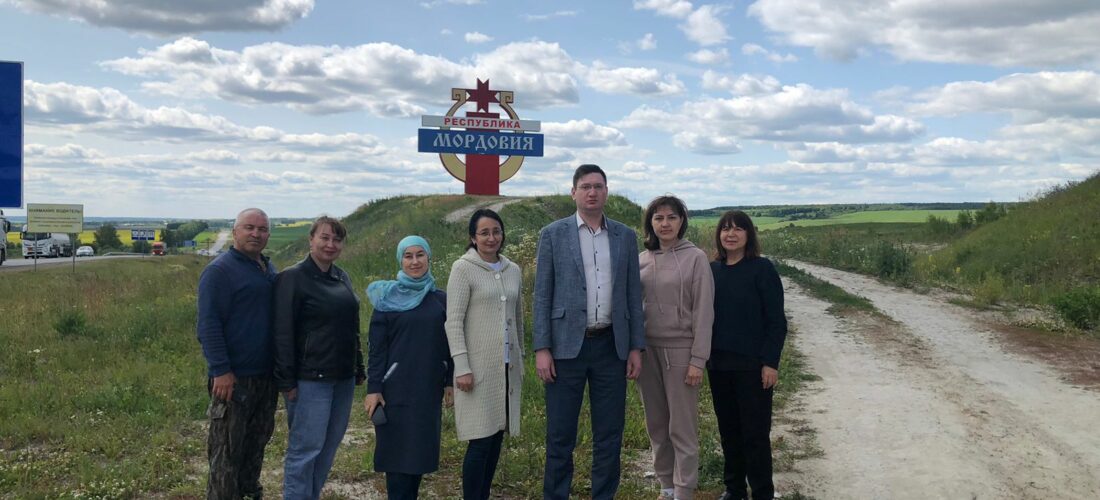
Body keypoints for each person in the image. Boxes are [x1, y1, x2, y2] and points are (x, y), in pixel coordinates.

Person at [533, 163, 646, 500]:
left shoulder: (625, 236)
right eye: (585, 187)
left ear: (606, 192)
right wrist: (542, 348)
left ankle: (603, 495)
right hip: (565, 348)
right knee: (560, 434)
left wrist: (635, 346)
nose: (592, 192)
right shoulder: (553, 234)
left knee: (609, 434)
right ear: (573, 193)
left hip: (611, 346)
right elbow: (542, 294)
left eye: (598, 186)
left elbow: (633, 294)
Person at [273, 216, 364, 500]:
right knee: (305, 451)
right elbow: (282, 332)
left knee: (327, 448)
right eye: (324, 237)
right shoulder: (293, 278)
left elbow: (351, 325)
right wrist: (287, 381)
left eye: (337, 239)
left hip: (343, 378)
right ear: (311, 240)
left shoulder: (341, 277)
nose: (330, 244)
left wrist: (358, 366)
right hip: (310, 379)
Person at [196, 208, 279, 500]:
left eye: (262, 229)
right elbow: (208, 325)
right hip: (233, 381)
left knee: (255, 448)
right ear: (235, 232)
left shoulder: (268, 269)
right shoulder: (219, 272)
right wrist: (220, 370)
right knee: (226, 455)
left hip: (266, 378)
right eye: (249, 227)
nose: (256, 234)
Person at [364, 236, 453, 500]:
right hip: (395, 391)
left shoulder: (440, 299)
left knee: (419, 458)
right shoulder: (386, 297)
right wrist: (373, 388)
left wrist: (449, 380)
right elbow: (377, 349)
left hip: (427, 390)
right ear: (400, 260)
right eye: (408, 256)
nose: (415, 261)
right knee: (397, 459)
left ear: (428, 258)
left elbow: (450, 343)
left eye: (420, 255)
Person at [637, 196, 714, 500]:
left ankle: (684, 489)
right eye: (658, 218)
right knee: (656, 423)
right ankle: (666, 485)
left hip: (681, 352)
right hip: (648, 351)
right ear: (650, 223)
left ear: (682, 221)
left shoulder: (695, 258)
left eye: (671, 217)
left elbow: (704, 311)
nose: (665, 224)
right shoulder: (641, 259)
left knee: (681, 426)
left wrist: (698, 359)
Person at [445, 209, 524, 500]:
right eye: (484, 233)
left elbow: (518, 318)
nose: (491, 238)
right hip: (476, 369)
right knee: (479, 440)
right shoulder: (463, 268)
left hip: (506, 367)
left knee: (496, 437)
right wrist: (461, 366)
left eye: (496, 231)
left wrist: (520, 360)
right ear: (473, 237)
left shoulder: (513, 270)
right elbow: (453, 321)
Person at [708, 210, 787, 500]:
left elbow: (776, 321)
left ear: (748, 234)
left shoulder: (762, 269)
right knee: (729, 431)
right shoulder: (712, 270)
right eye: (725, 229)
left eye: (738, 229)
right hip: (718, 365)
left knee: (755, 434)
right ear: (719, 235)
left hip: (753, 367)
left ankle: (763, 492)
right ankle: (734, 489)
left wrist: (770, 363)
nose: (730, 234)